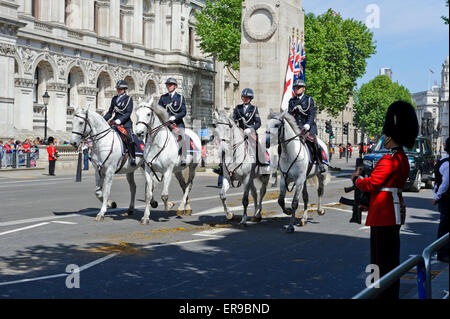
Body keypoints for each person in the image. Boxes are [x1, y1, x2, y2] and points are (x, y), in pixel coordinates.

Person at [351, 101, 419, 299]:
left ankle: (376, 294)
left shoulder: (389, 159)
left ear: (391, 136)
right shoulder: (402, 157)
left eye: (386, 135)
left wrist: (357, 179)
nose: (384, 138)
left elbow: (372, 184)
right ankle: (389, 293)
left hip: (383, 214)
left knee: (378, 260)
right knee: (391, 260)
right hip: (393, 211)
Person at [288, 79, 326, 172]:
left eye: (299, 87)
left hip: (308, 127)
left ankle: (320, 162)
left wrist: (308, 124)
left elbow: (311, 113)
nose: (296, 89)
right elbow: (289, 115)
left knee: (314, 142)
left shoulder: (309, 100)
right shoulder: (292, 101)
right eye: (295, 87)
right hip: (296, 128)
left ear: (303, 89)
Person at [233, 88, 268, 166]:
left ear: (250, 99)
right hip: (239, 133)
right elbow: (234, 120)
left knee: (257, 146)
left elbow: (258, 123)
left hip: (250, 133)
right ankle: (222, 166)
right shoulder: (237, 108)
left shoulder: (254, 108)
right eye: (244, 97)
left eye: (247, 97)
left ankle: (262, 163)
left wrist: (251, 129)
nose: (245, 99)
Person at [104, 79, 136, 166]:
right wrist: (103, 119)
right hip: (114, 122)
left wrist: (119, 120)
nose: (118, 90)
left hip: (125, 123)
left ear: (124, 89)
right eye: (118, 88)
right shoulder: (114, 99)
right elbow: (110, 112)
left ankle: (132, 157)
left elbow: (128, 113)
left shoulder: (128, 99)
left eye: (120, 89)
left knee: (130, 138)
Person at [158, 77, 187, 166]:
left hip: (177, 122)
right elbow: (159, 111)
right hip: (166, 123)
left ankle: (183, 157)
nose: (168, 86)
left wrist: (175, 117)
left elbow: (183, 112)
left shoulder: (180, 98)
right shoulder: (163, 98)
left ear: (175, 86)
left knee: (181, 135)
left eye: (170, 85)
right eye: (167, 85)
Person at [432, 136, 449, 263]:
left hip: (444, 198)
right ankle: (442, 253)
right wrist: (437, 196)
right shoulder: (447, 163)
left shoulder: (443, 161)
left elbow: (438, 183)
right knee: (445, 226)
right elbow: (445, 183)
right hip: (447, 199)